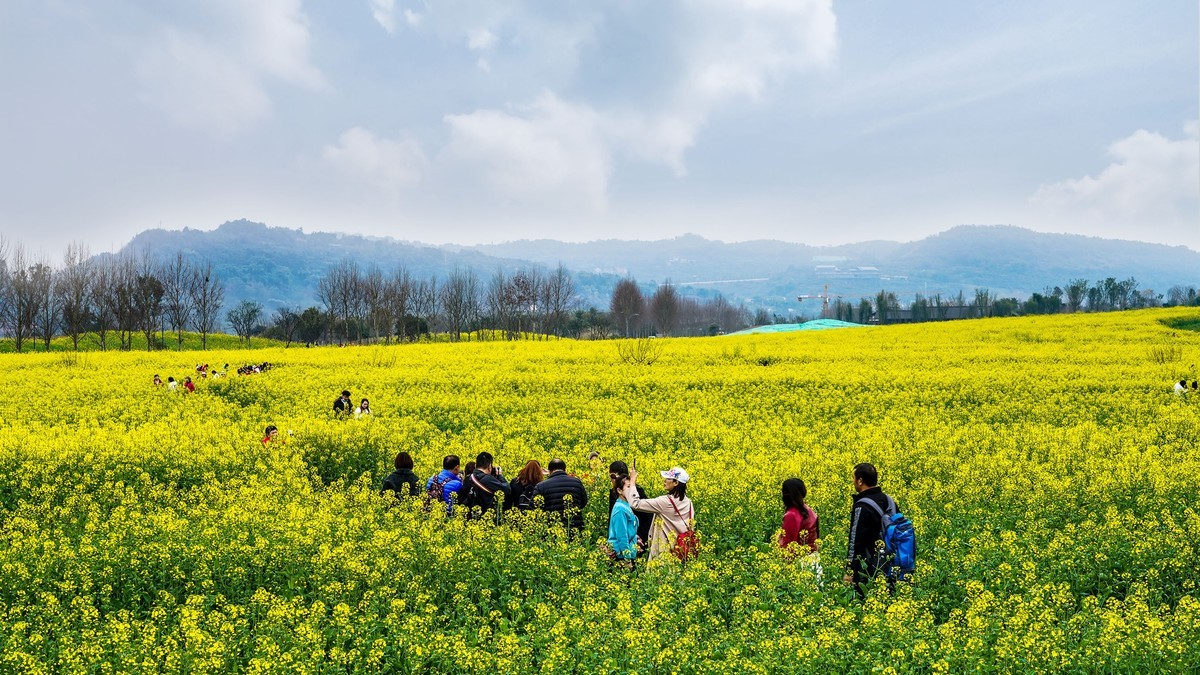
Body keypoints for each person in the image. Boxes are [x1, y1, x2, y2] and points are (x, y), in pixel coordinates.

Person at [843, 463, 896, 599]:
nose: (853, 482)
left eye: (854, 478)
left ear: (860, 481)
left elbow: (856, 540)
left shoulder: (862, 505)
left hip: (868, 568)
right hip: (892, 562)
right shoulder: (889, 501)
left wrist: (850, 570)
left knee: (866, 601)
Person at [624, 466, 694, 561]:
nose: (664, 480)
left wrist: (632, 482)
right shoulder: (689, 502)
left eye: (668, 479)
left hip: (664, 552)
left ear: (676, 483)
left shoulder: (665, 502)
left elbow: (635, 503)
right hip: (681, 552)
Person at [530, 458, 588, 533]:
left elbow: (533, 506)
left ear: (549, 471)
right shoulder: (577, 482)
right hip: (575, 527)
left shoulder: (541, 486)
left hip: (552, 530)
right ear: (565, 469)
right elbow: (584, 502)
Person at [607, 461, 652, 556]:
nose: (611, 480)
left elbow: (648, 518)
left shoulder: (637, 492)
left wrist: (639, 538)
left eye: (612, 476)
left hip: (635, 542)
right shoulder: (615, 495)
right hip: (623, 547)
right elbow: (616, 525)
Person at [460, 452, 509, 522]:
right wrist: (500, 476)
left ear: (476, 465)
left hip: (470, 518)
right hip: (486, 518)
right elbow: (507, 490)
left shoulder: (468, 478)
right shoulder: (488, 479)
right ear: (489, 466)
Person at [606, 471, 639, 565]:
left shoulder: (626, 505)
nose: (632, 489)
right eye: (628, 487)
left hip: (628, 552)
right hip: (621, 556)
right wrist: (627, 559)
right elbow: (622, 536)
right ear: (619, 491)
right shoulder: (620, 509)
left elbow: (628, 529)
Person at [779, 478, 820, 554]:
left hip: (800, 561)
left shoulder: (791, 515)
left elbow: (788, 547)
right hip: (813, 559)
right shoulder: (808, 510)